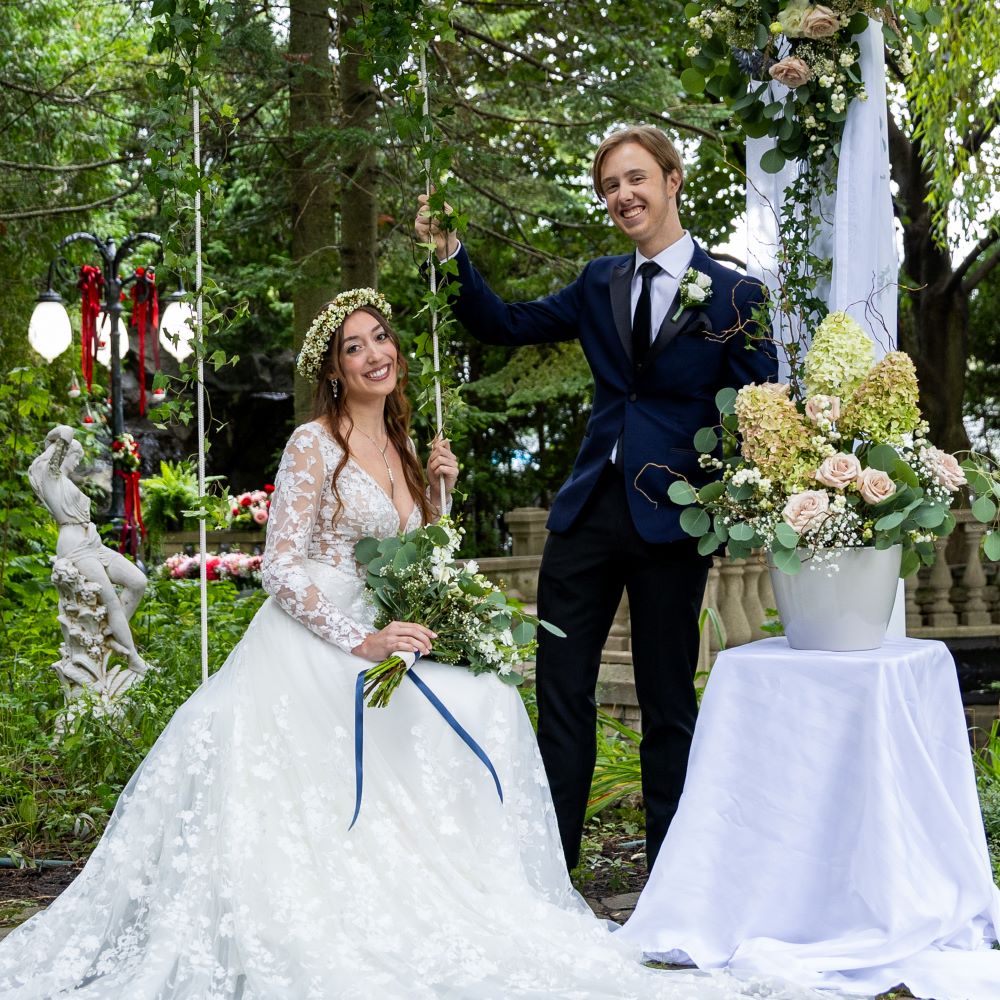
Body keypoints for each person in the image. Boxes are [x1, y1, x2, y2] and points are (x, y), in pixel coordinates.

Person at [0, 289, 792, 1000]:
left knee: (490, 701)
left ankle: (480, 884)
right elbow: (280, 567)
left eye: (381, 337)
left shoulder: (406, 448)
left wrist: (440, 497)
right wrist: (362, 640)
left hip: (390, 631)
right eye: (354, 346)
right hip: (319, 637)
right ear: (334, 370)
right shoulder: (313, 444)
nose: (374, 353)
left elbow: (413, 553)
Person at [415, 125, 778, 872]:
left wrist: (729, 500)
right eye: (610, 186)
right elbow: (500, 323)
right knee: (561, 693)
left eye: (636, 179)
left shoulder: (737, 294)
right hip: (586, 515)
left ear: (672, 180)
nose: (623, 195)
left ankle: (671, 873)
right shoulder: (597, 282)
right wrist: (451, 253)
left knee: (668, 700)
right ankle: (555, 868)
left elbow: (761, 407)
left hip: (674, 521)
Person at [29, 424, 149, 678]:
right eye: (76, 457)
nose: (77, 463)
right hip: (74, 546)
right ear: (64, 454)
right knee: (111, 601)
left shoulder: (64, 481)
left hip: (93, 542)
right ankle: (133, 658)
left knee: (138, 582)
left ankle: (110, 634)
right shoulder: (50, 477)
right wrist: (57, 438)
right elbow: (65, 434)